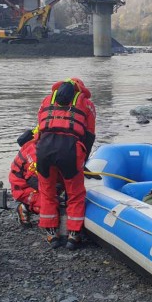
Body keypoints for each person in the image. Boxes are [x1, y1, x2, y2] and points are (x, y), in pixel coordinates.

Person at [36, 77, 96, 250]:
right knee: (75, 193)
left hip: (44, 149)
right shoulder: (86, 103)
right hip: (70, 149)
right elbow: (89, 135)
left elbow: (39, 129)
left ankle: (51, 234)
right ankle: (73, 235)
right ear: (80, 90)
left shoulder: (47, 100)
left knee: (47, 192)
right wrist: (83, 159)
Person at [9, 127, 41, 226]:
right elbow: (32, 180)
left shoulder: (39, 143)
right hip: (22, 187)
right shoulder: (34, 151)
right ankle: (24, 208)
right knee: (49, 203)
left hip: (29, 181)